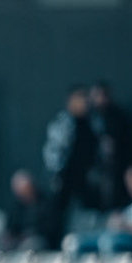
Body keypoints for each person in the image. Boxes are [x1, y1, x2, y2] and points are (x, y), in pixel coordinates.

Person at [42, 84, 97, 236]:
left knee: (86, 213)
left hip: (86, 177)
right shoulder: (64, 123)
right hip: (65, 177)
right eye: (79, 99)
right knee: (59, 214)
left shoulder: (93, 122)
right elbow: (53, 151)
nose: (83, 103)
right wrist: (57, 174)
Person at [86, 81, 132, 211]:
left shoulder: (118, 116)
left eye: (102, 95)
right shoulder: (87, 117)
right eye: (96, 95)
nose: (99, 99)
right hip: (92, 166)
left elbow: (126, 142)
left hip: (115, 166)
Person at [3, 169, 54, 251]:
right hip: (18, 240)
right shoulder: (16, 206)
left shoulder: (45, 203)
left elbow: (48, 228)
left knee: (30, 244)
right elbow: (11, 227)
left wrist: (28, 235)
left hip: (39, 240)